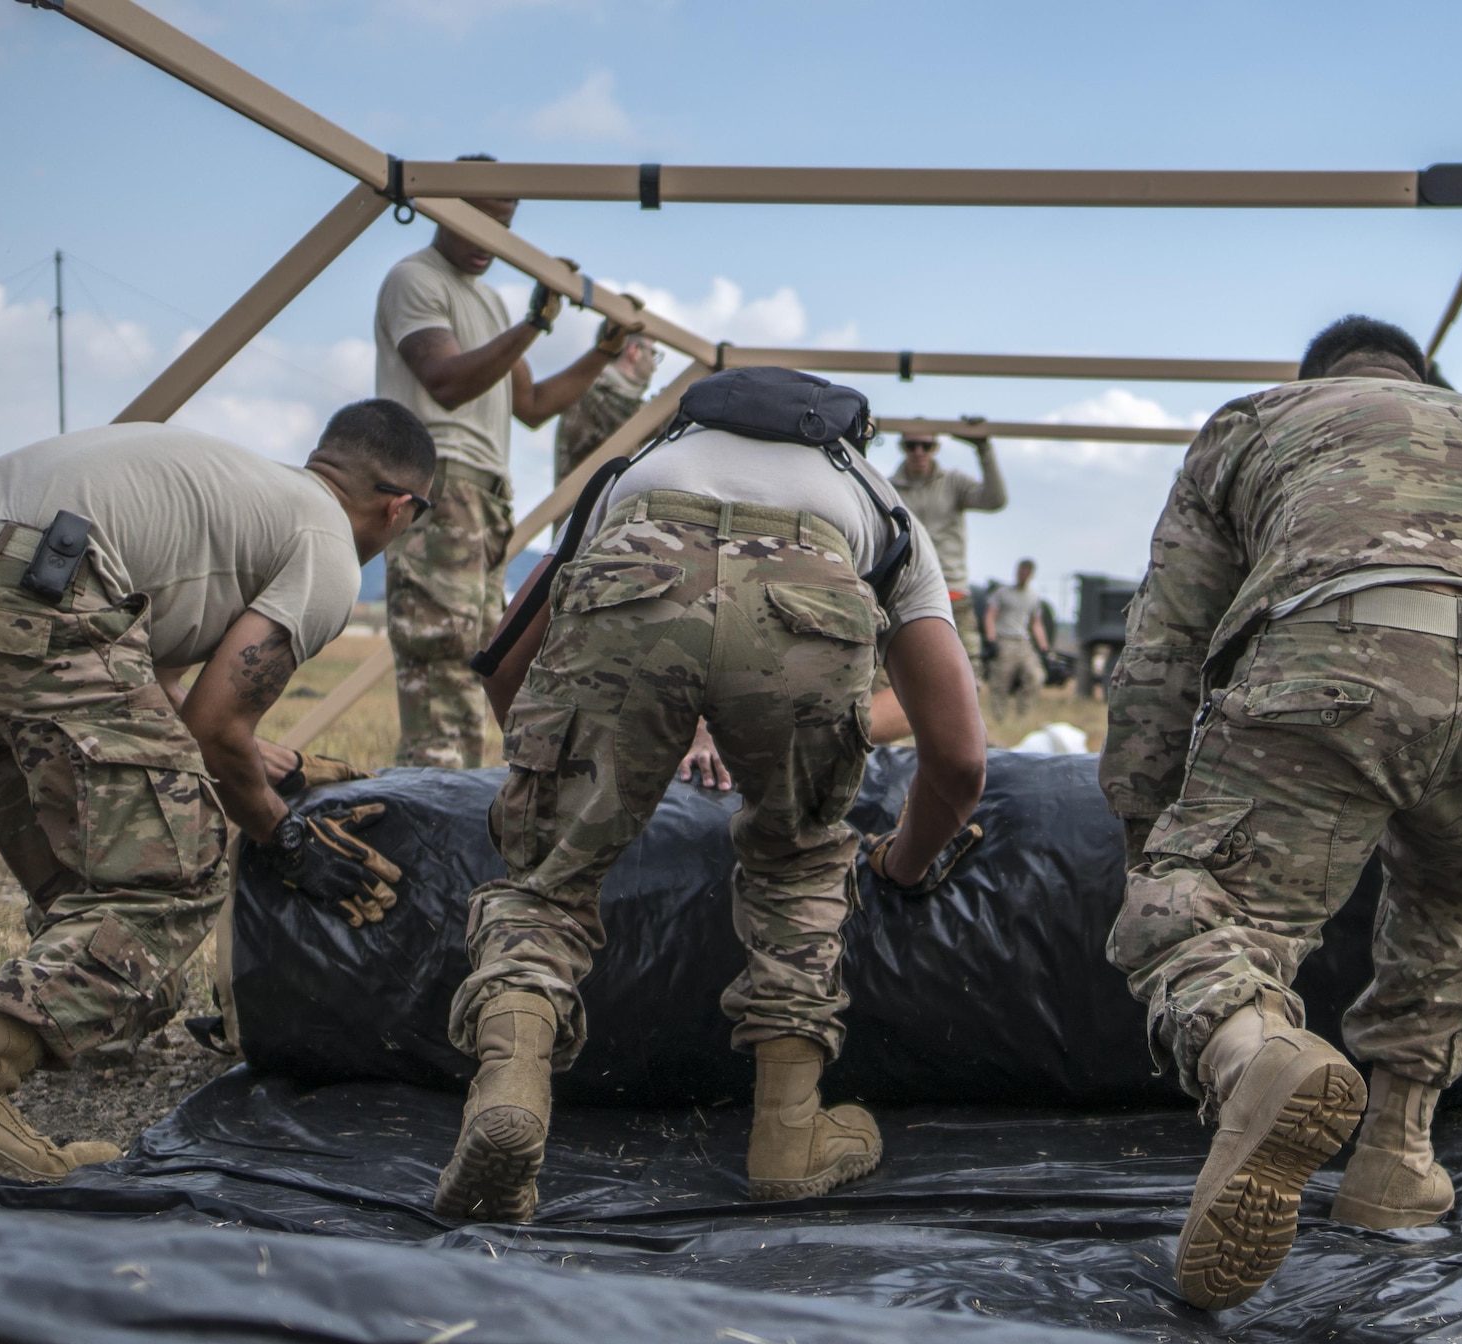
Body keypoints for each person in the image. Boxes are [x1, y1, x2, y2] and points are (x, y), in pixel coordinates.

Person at [1102, 315, 1462, 1312]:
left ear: (1316, 377)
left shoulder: (1261, 420)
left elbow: (1164, 643)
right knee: (1457, 898)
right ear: (1422, 378)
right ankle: (1393, 1160)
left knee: (1206, 920)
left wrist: (1152, 830)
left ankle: (1255, 1059)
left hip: (1341, 645)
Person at [442, 373, 988, 1222]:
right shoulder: (880, 508)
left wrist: (581, 791)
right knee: (797, 860)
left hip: (636, 568)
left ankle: (509, 1096)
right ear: (847, 437)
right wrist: (903, 864)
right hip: (814, 594)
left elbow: (507, 661)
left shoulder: (635, 475)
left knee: (546, 878)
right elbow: (957, 759)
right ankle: (788, 1134)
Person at [0, 403, 436, 1184]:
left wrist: (277, 765)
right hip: (41, 587)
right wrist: (286, 838)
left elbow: (152, 699)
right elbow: (213, 728)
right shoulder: (328, 547)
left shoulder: (249, 497)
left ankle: (74, 1018)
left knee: (88, 852)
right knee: (175, 870)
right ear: (400, 505)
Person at [374, 154, 643, 769]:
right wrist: (533, 324)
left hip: (483, 495)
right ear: (446, 211)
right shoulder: (416, 279)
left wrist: (602, 354)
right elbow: (443, 381)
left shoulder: (490, 304)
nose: (490, 241)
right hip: (440, 483)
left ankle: (457, 793)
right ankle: (432, 793)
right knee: (441, 655)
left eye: (505, 222)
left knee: (476, 651)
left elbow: (532, 403)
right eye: (480, 221)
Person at [890, 427, 1007, 668]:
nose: (919, 452)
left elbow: (995, 500)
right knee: (901, 670)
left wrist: (984, 449)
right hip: (906, 593)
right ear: (902, 447)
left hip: (951, 593)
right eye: (912, 446)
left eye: (926, 446)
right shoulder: (888, 488)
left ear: (936, 448)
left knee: (965, 668)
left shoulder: (953, 482)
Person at [555, 334, 661, 488]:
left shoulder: (598, 395)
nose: (654, 365)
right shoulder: (593, 397)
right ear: (634, 351)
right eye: (653, 353)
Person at [983, 558, 1050, 719]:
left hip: (1023, 642)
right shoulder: (1002, 593)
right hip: (1004, 640)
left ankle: (1022, 715)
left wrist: (1044, 648)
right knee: (1000, 682)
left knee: (1036, 677)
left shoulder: (1033, 597)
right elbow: (990, 616)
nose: (1023, 575)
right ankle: (1000, 719)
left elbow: (1036, 624)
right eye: (1021, 571)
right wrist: (991, 640)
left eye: (1027, 572)